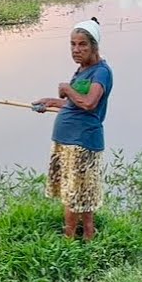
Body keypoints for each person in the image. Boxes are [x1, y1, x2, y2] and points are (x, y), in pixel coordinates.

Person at [32, 17, 113, 242]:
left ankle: (68, 240)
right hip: (67, 140)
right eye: (72, 44)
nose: (76, 50)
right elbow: (74, 104)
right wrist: (50, 102)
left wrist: (67, 89)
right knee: (82, 191)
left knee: (73, 193)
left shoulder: (101, 72)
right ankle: (88, 235)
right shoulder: (82, 70)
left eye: (82, 45)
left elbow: (89, 103)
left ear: (94, 46)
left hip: (82, 142)